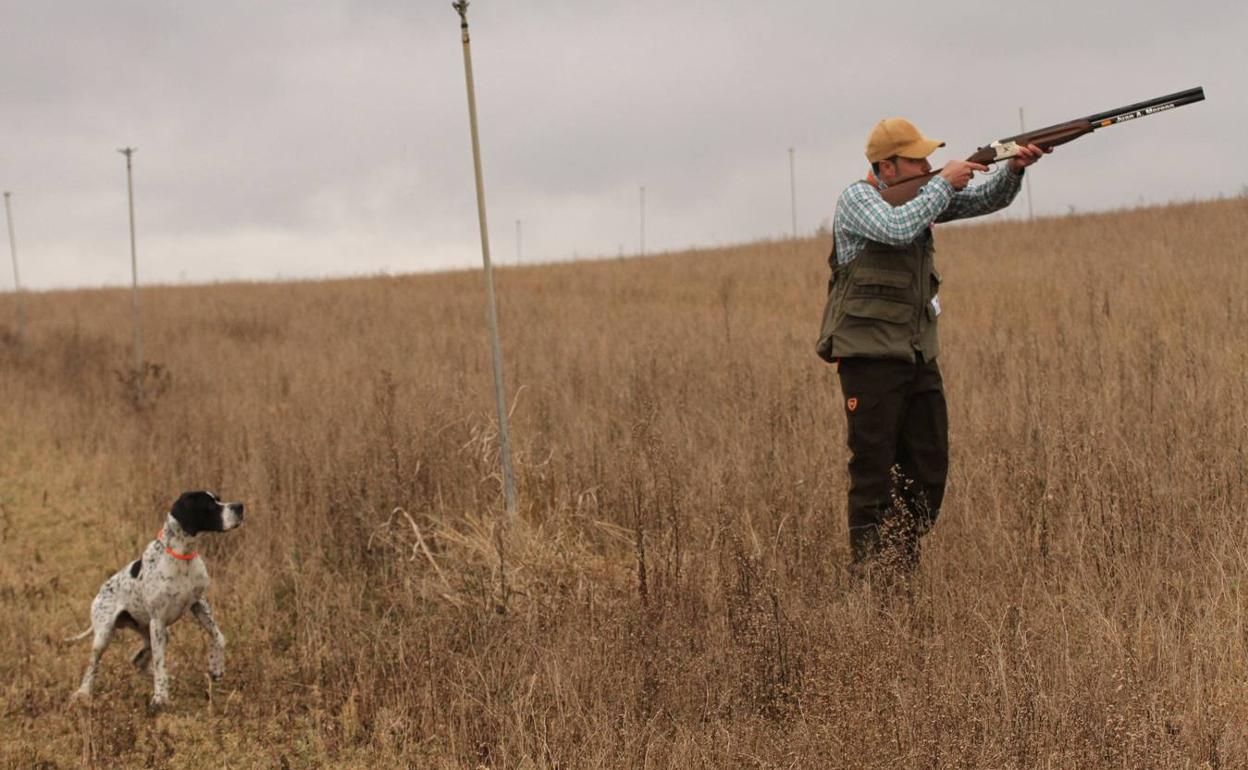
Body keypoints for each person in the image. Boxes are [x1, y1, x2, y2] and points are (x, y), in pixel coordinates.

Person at [817, 117, 1049, 573]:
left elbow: (986, 199)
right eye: (916, 159)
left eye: (928, 158)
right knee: (873, 474)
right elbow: (896, 227)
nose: (927, 164)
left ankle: (900, 565)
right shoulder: (857, 200)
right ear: (886, 166)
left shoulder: (923, 196)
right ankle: (870, 581)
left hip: (918, 356)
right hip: (869, 360)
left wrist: (1015, 169)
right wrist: (942, 183)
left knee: (927, 471)